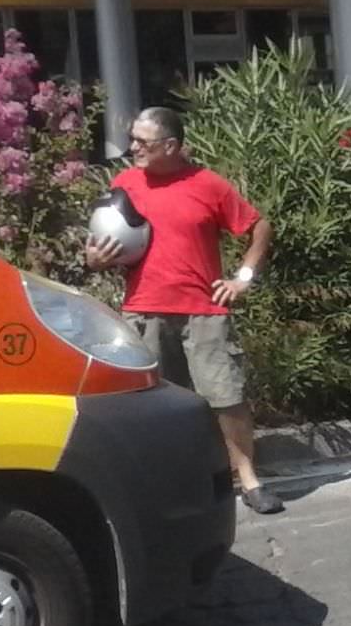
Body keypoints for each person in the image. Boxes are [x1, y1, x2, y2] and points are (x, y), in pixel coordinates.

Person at [86, 106, 285, 514]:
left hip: (204, 311)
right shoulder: (124, 183)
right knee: (151, 406)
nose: (133, 147)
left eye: (143, 142)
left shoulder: (208, 185)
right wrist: (95, 259)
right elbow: (101, 242)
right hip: (143, 311)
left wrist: (243, 277)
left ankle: (247, 480)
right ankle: (164, 484)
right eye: (134, 140)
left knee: (226, 398)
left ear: (171, 146)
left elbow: (259, 226)